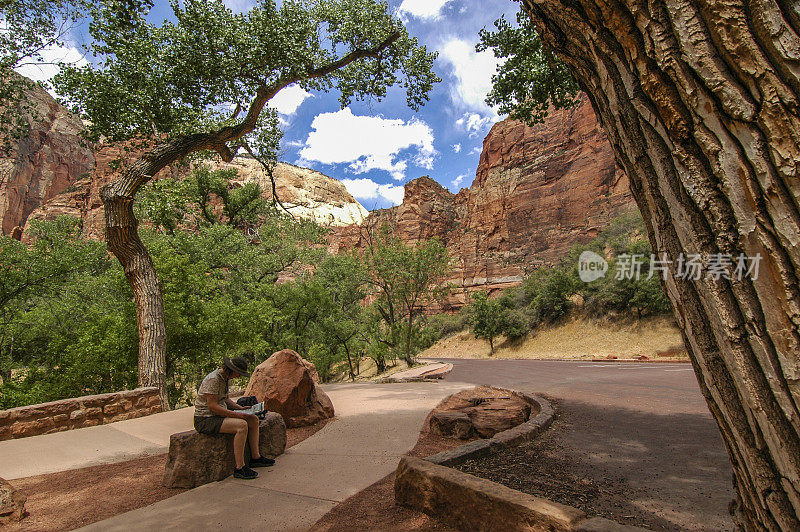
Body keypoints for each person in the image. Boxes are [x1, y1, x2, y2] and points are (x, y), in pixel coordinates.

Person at [194, 356, 274, 479]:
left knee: (253, 420)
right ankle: (239, 467)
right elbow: (212, 406)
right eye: (239, 373)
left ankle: (256, 457)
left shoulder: (225, 378)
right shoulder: (213, 379)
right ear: (231, 370)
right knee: (241, 426)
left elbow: (225, 399)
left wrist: (240, 408)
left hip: (218, 415)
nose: (239, 376)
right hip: (206, 419)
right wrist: (236, 414)